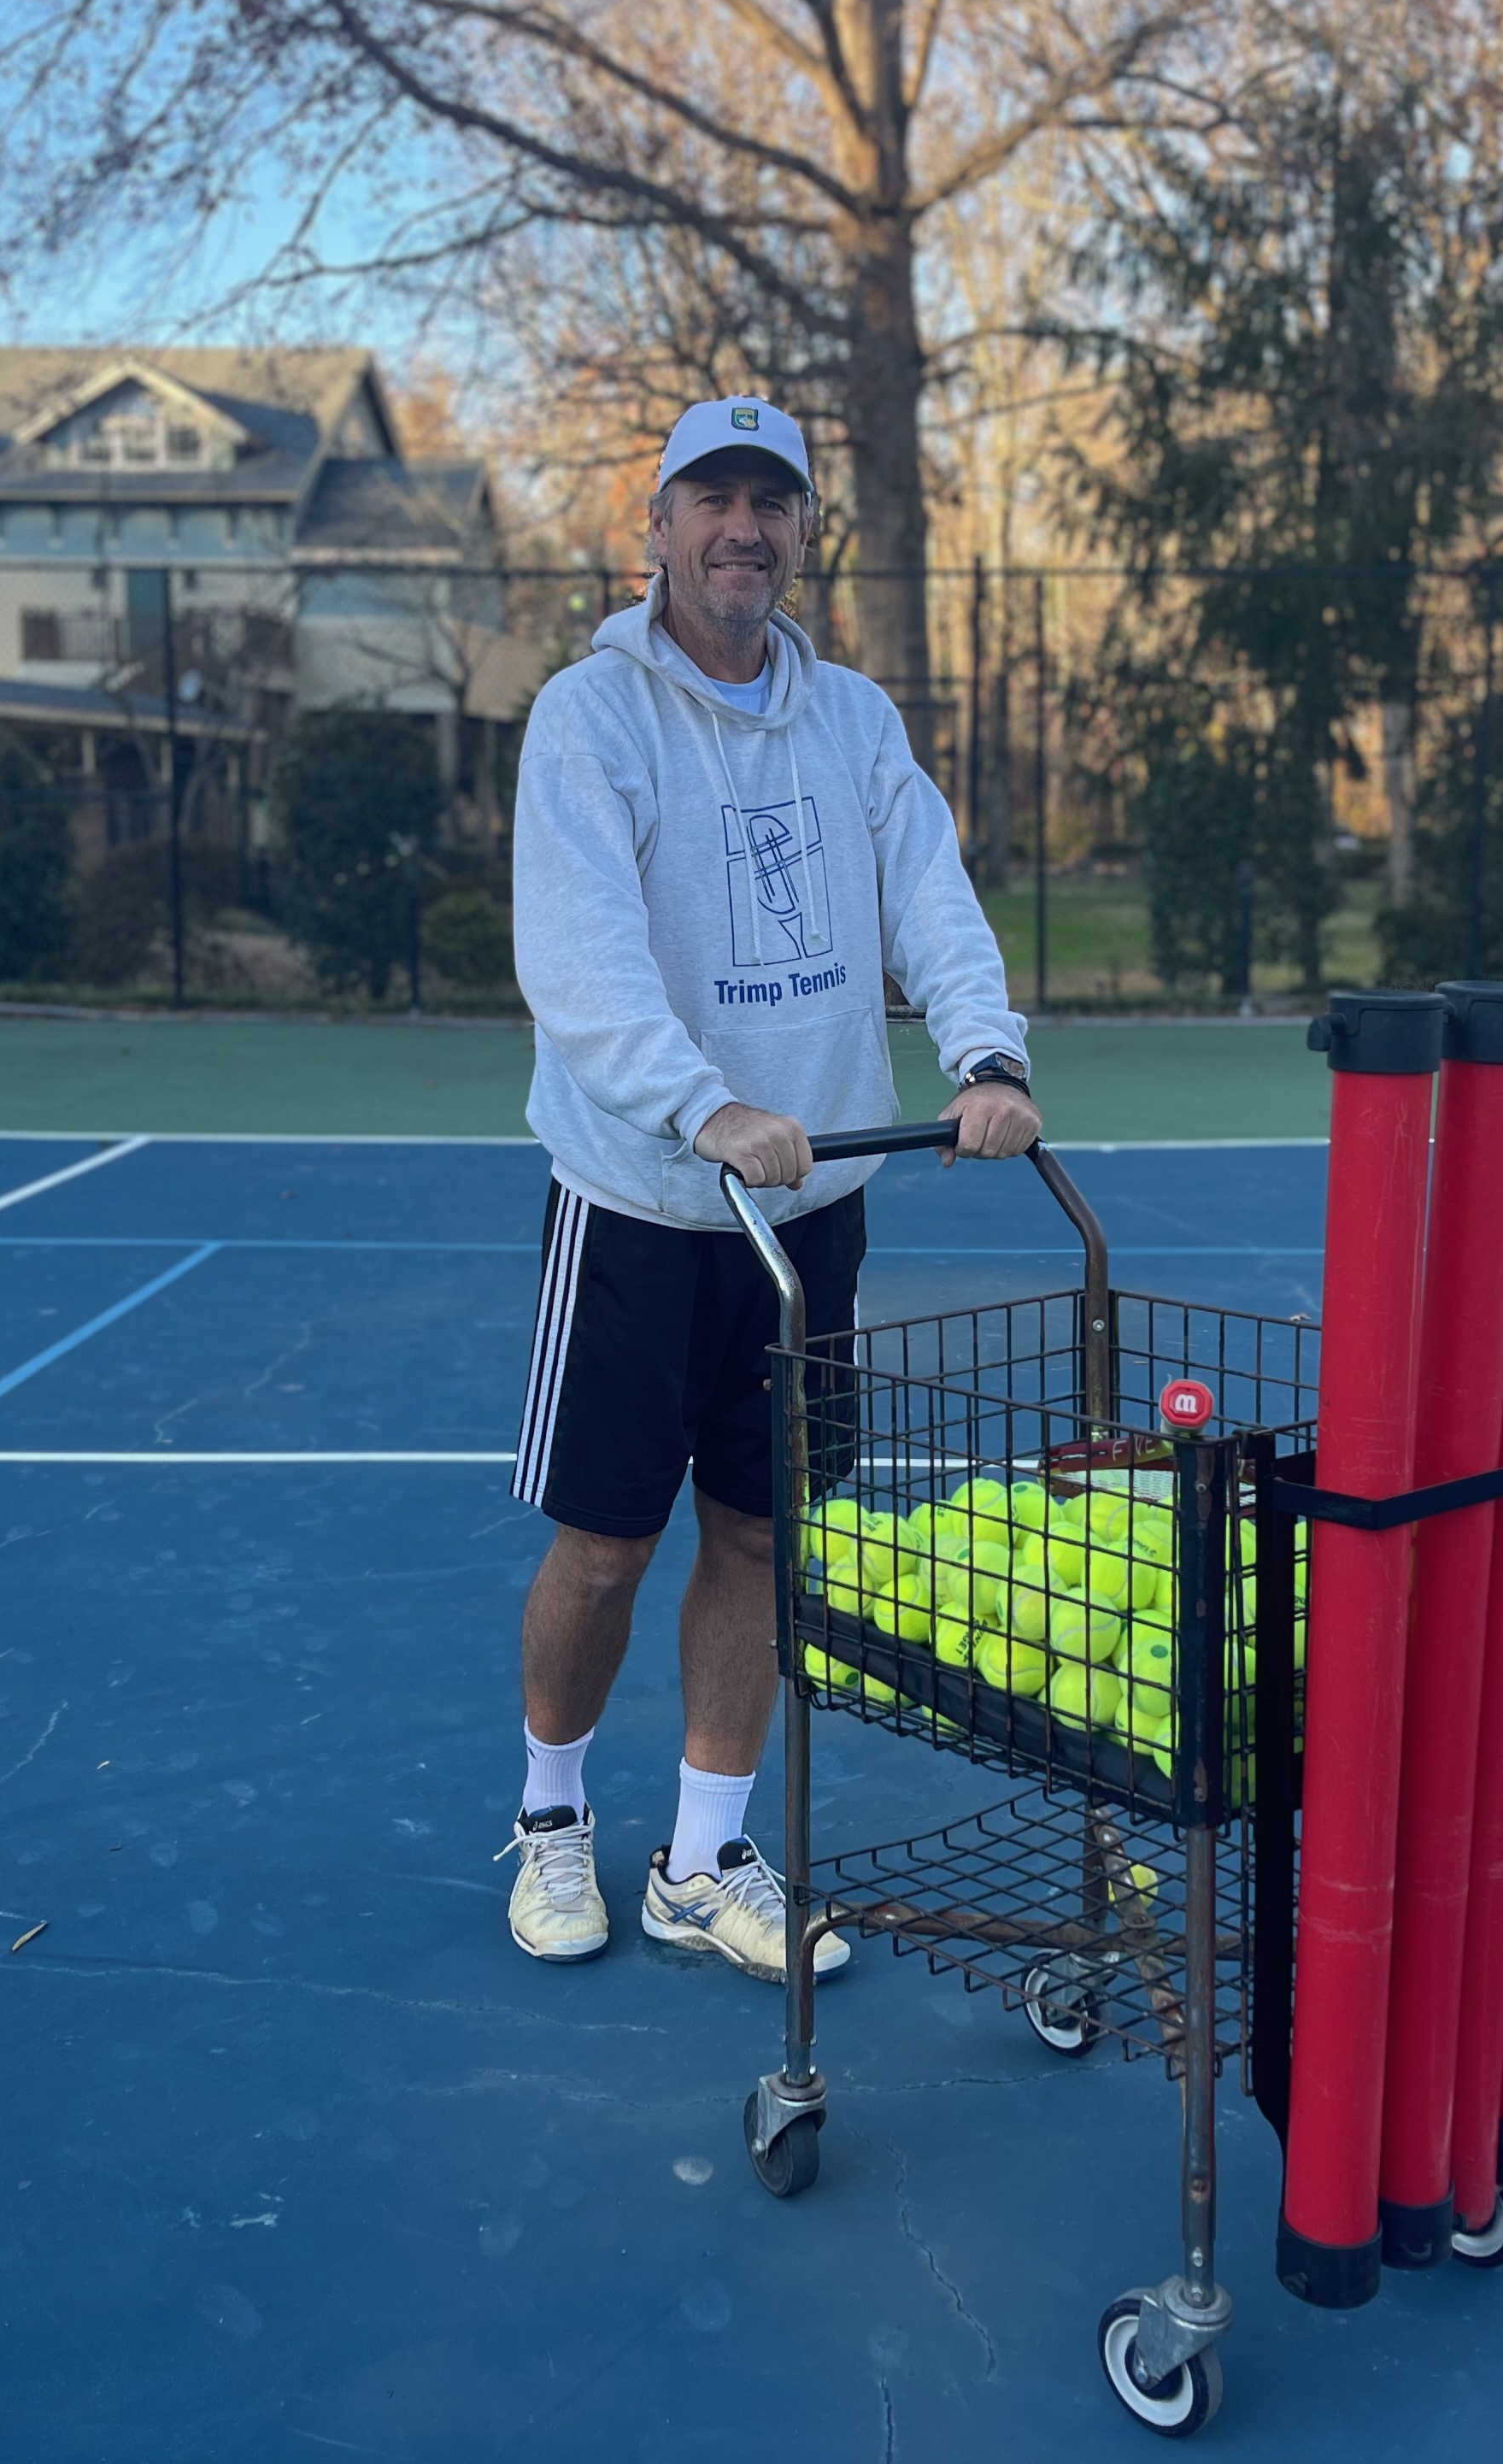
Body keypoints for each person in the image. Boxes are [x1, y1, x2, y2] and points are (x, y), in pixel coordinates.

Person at [497, 395, 1038, 1982]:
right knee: (606, 1546)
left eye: (773, 501)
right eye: (712, 496)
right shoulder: (589, 719)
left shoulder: (853, 720)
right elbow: (580, 962)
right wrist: (702, 1105)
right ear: (655, 525)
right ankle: (549, 1819)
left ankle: (703, 1853)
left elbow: (926, 892)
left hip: (807, 1216)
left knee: (757, 1534)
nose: (745, 526)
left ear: (806, 532)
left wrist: (986, 1051)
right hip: (639, 1205)